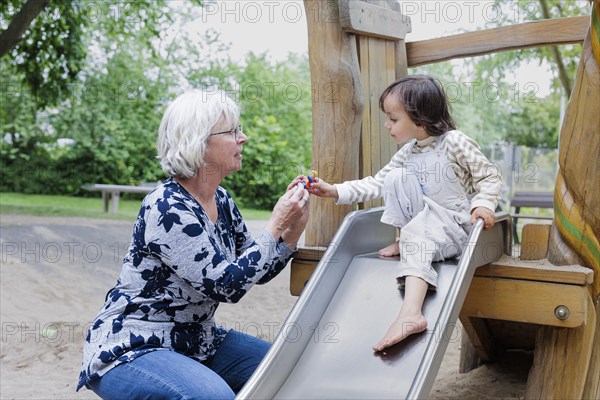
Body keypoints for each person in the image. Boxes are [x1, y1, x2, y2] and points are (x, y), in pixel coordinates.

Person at [77, 89, 310, 399]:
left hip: (197, 339)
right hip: (134, 346)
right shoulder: (167, 207)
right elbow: (227, 285)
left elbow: (254, 270)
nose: (244, 138)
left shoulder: (222, 200)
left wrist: (292, 232)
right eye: (233, 131)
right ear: (198, 143)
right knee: (213, 397)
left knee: (288, 371)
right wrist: (276, 223)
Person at [307, 75, 501, 352]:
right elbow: (377, 182)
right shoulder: (408, 153)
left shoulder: (454, 142)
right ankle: (408, 238)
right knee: (395, 177)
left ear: (420, 118)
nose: (387, 125)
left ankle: (411, 314)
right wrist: (334, 190)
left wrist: (483, 204)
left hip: (456, 228)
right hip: (424, 225)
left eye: (393, 118)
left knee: (418, 234)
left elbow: (489, 176)